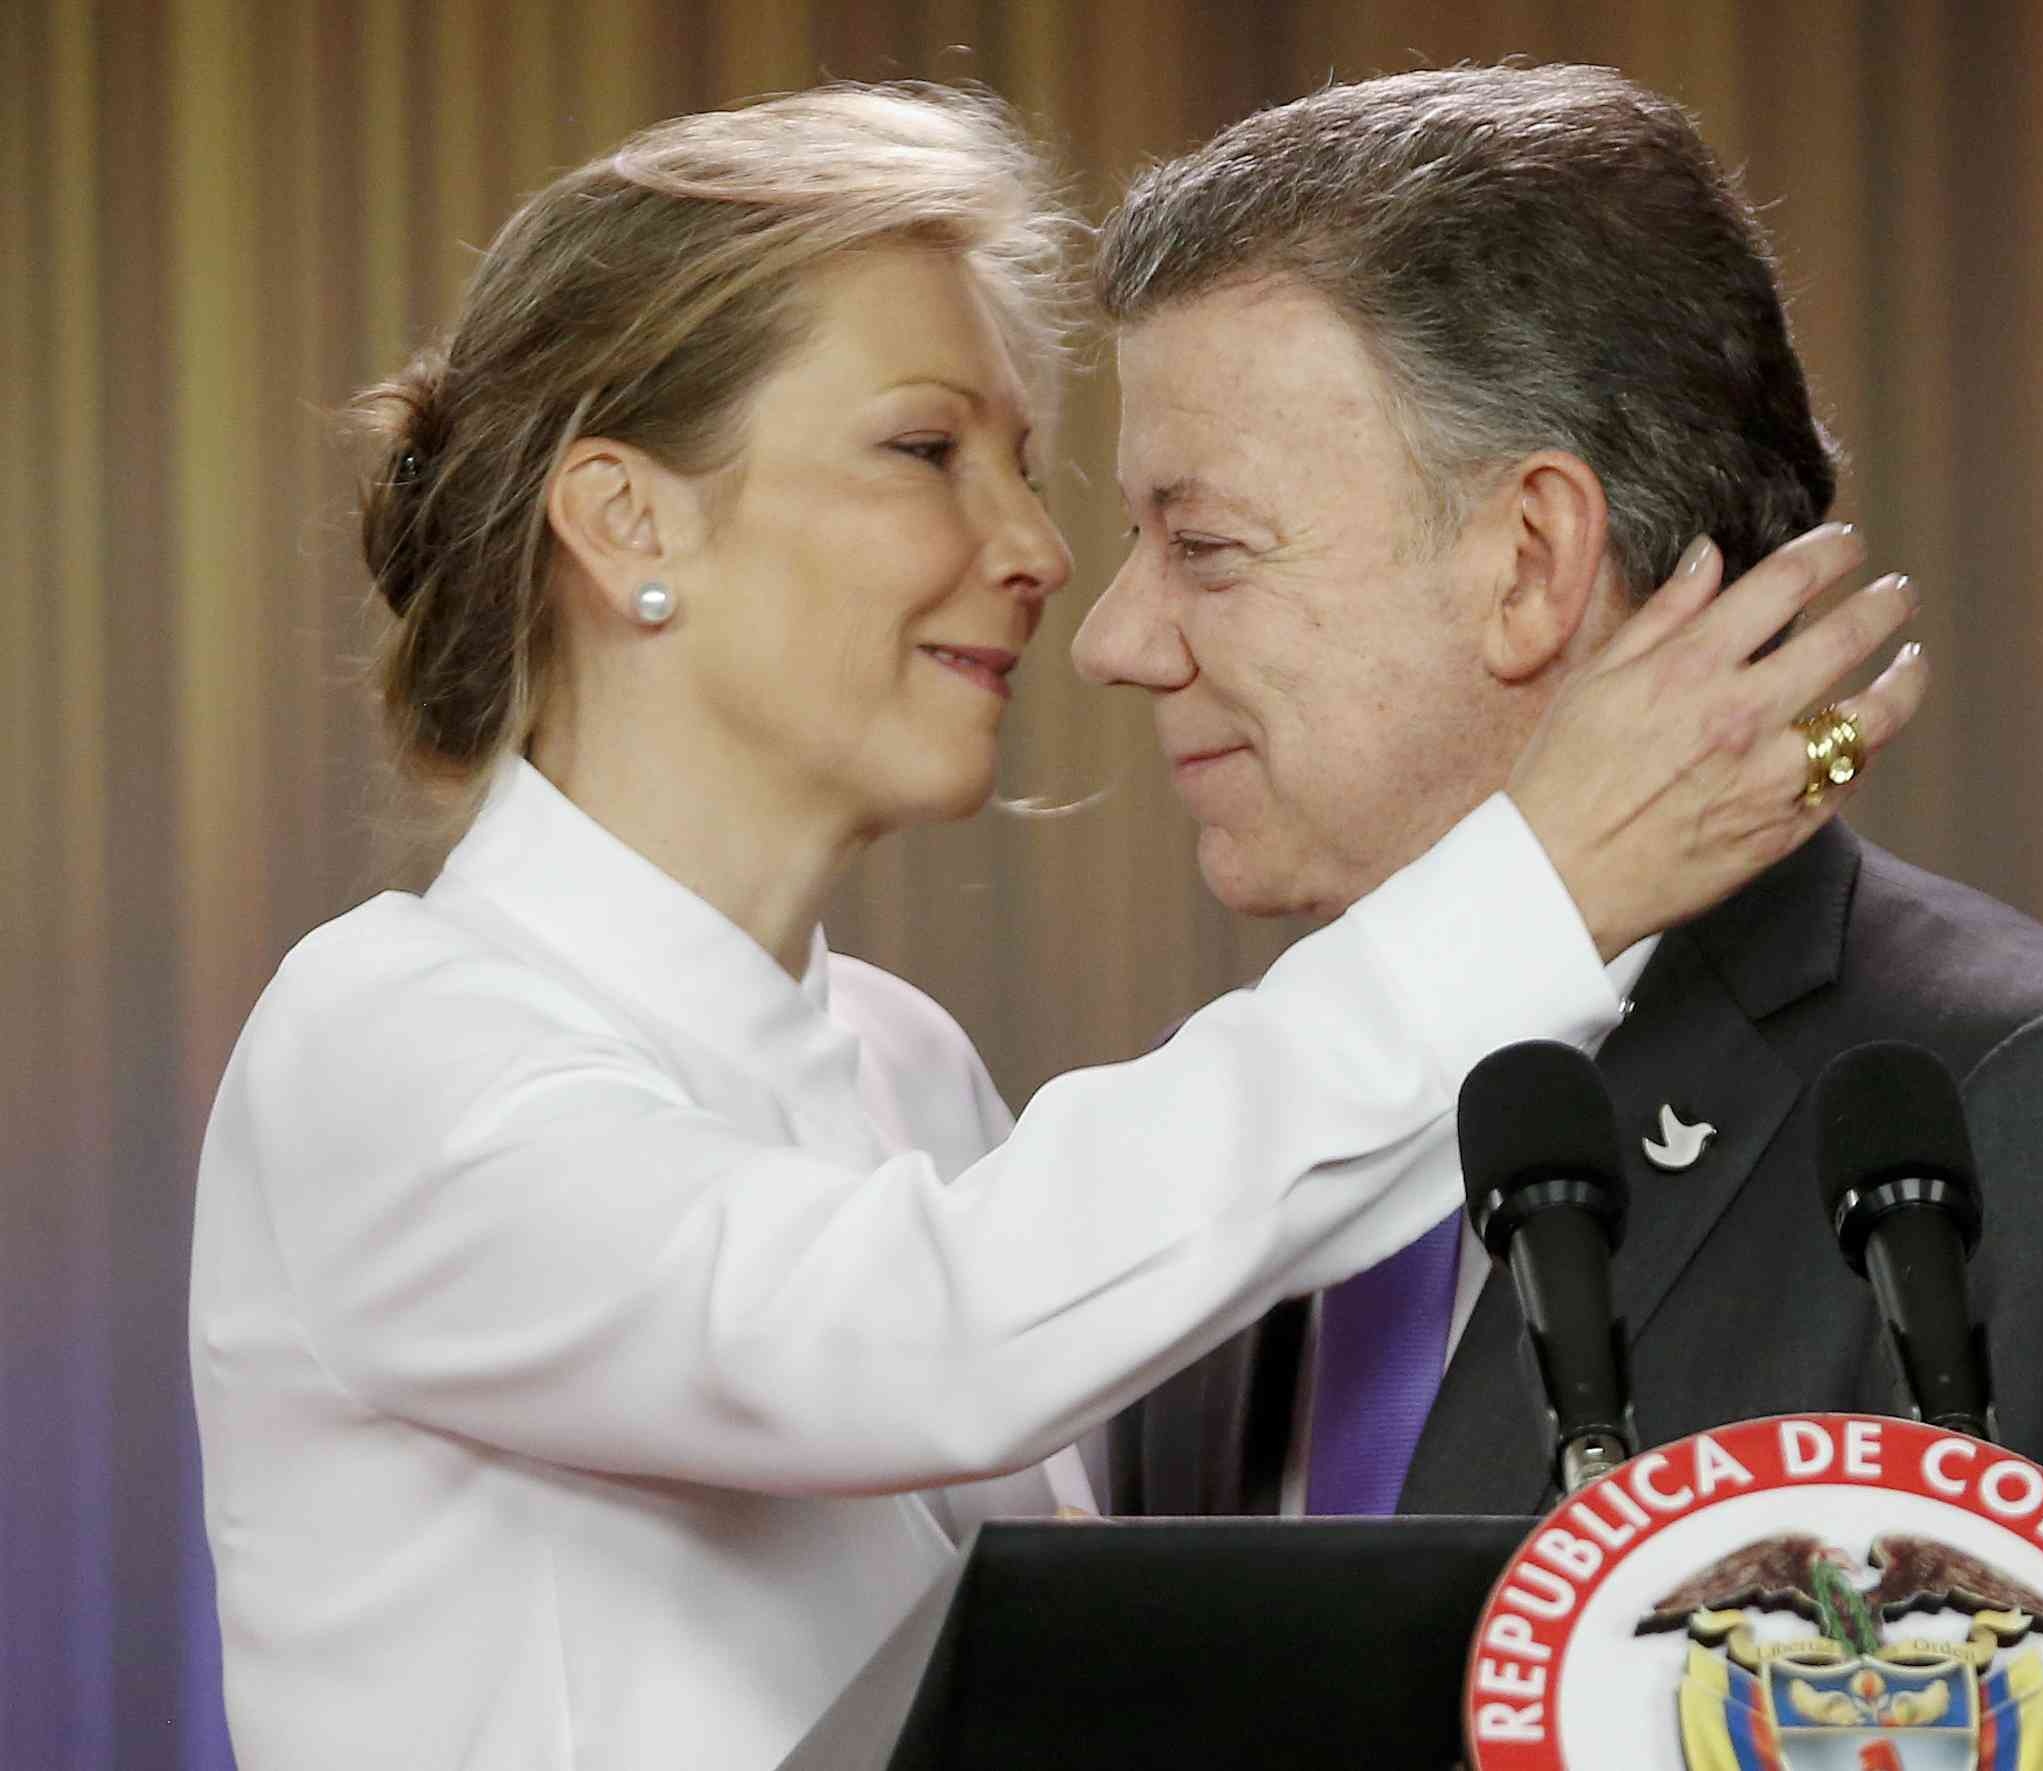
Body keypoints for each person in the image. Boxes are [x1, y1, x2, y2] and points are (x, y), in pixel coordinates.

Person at [187, 83, 1924, 1769]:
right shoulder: (389, 1038)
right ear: (626, 516)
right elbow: (913, 1345)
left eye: (1019, 467)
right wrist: (1545, 880)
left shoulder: (900, 1064)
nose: (1034, 548)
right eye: (924, 449)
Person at [1082, 63, 2043, 1525]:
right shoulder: (1244, 1109)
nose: (1113, 641)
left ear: (1530, 561)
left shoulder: (2021, 1105)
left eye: (1204, 548)